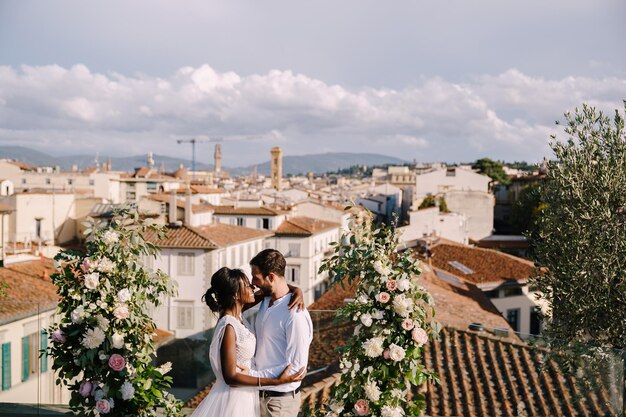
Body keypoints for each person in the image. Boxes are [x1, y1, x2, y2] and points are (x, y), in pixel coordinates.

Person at [191, 267, 306, 417]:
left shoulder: (238, 312)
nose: (253, 287)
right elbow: (230, 377)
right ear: (235, 295)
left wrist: (296, 290)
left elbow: (269, 289)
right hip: (234, 398)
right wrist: (275, 381)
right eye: (247, 285)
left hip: (246, 393)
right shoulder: (229, 327)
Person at [249, 249, 314, 417]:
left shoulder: (295, 315)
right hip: (257, 395)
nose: (252, 282)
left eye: (256, 277)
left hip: (278, 404)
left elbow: (297, 367)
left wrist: (251, 375)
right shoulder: (265, 299)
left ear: (271, 277)